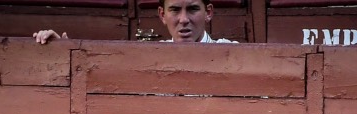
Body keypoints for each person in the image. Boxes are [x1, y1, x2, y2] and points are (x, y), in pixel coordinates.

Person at [33, 0, 236, 44]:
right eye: (174, 10)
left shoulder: (232, 53)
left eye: (192, 9)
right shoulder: (148, 56)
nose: (183, 20)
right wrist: (62, 51)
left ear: (208, 12)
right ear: (162, 15)